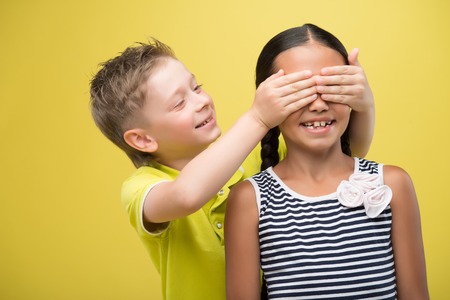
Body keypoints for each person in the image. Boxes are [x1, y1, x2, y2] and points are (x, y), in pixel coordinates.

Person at [89, 36, 375, 300]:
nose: (201, 101)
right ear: (142, 139)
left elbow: (350, 153)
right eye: (179, 103)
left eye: (196, 86)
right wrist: (258, 118)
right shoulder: (142, 188)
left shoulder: (258, 155)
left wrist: (364, 104)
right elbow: (187, 195)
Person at [225, 24, 429, 300]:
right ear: (268, 100)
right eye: (299, 91)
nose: (319, 105)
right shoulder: (249, 200)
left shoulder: (393, 184)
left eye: (333, 86)